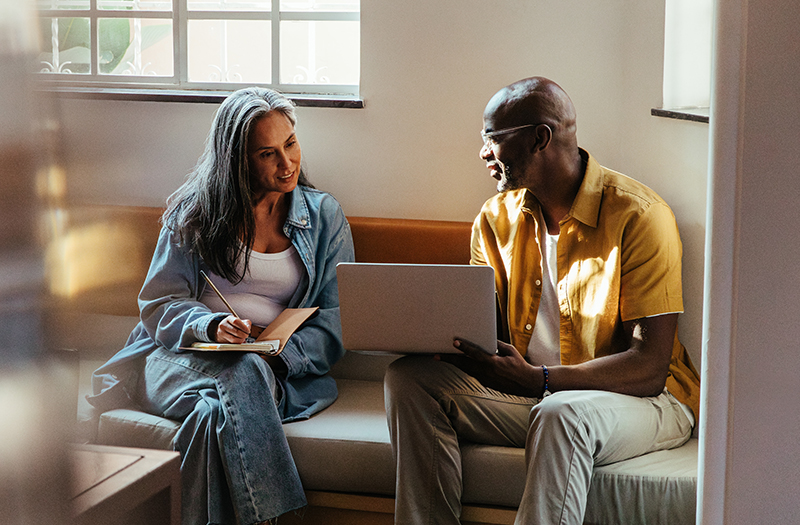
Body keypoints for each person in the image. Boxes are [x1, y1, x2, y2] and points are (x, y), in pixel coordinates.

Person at [384, 77, 701, 524]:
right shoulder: (496, 219)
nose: (483, 153)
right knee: (409, 380)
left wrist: (542, 381)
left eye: (492, 138)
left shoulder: (639, 216)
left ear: (540, 139)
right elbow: (488, 334)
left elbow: (649, 368)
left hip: (642, 402)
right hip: (537, 394)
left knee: (559, 413)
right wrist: (432, 337)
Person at [87, 87, 355, 525]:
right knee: (243, 371)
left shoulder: (324, 218)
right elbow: (159, 304)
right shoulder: (193, 212)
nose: (287, 164)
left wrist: (276, 353)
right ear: (238, 159)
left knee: (212, 414)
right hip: (175, 360)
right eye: (267, 154)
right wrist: (209, 327)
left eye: (290, 144)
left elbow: (337, 320)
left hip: (272, 370)